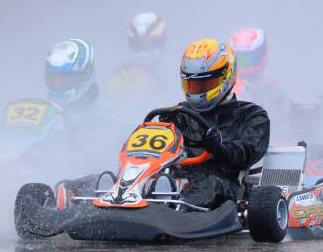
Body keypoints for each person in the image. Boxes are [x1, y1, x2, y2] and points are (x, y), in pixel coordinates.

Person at [175, 38, 270, 209]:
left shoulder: (252, 115)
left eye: (205, 84)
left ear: (226, 76)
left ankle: (178, 214)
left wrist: (220, 147)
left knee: (212, 184)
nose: (198, 91)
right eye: (193, 85)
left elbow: (247, 152)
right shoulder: (179, 114)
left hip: (227, 186)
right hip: (178, 182)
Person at [107, 12, 168, 106]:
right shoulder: (123, 73)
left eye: (150, 43)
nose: (144, 50)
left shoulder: (177, 67)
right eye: (138, 44)